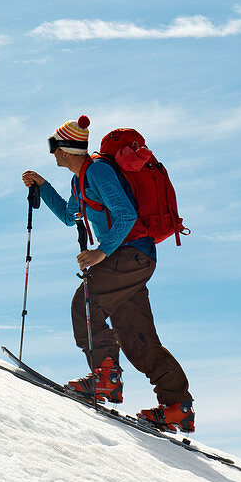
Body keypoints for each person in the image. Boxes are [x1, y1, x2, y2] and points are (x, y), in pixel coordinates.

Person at [22, 115, 195, 433]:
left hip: (129, 253)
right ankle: (176, 407)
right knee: (136, 336)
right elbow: (67, 215)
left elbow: (126, 214)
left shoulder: (99, 170)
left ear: (65, 149)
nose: (51, 152)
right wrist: (42, 186)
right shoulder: (80, 179)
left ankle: (105, 380)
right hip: (134, 258)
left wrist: (101, 252)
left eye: (52, 146)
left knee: (86, 304)